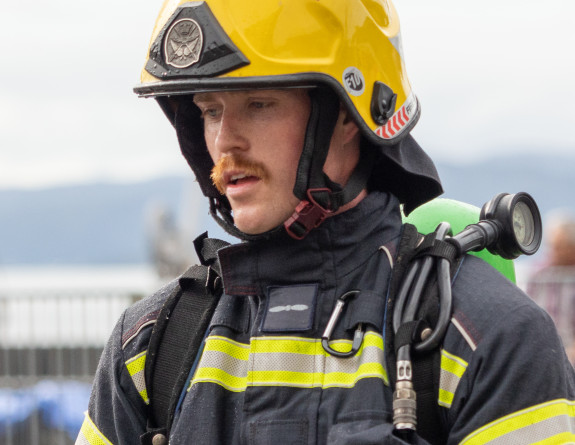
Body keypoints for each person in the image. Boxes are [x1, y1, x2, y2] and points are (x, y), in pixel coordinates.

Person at [76, 1, 575, 444]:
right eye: (209, 110)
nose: (226, 142)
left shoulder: (491, 338)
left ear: (346, 115)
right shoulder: (149, 344)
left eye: (259, 104)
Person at [527, 211, 575, 365]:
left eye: (560, 248)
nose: (553, 253)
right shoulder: (539, 275)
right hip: (546, 347)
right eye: (553, 246)